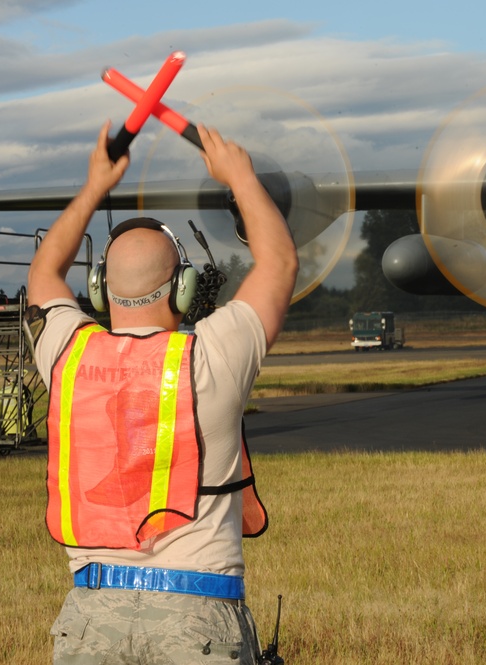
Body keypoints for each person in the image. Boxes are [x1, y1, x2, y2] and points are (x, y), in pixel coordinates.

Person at [25, 120, 298, 664]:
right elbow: (280, 263)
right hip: (197, 615)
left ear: (100, 289)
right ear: (184, 287)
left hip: (89, 616)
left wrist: (95, 186)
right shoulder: (212, 356)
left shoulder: (67, 355)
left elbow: (44, 271)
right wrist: (241, 178)